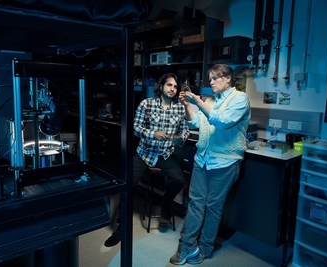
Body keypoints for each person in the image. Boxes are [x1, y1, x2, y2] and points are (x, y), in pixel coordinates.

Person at [169, 64, 250, 265]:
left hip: (225, 162)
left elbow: (221, 121)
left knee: (213, 207)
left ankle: (205, 248)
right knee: (195, 204)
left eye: (215, 78)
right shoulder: (211, 100)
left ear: (228, 78)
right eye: (210, 78)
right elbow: (195, 122)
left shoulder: (240, 99)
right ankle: (186, 247)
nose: (211, 82)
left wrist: (197, 100)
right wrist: (189, 105)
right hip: (203, 160)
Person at [104, 72, 190, 247]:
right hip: (145, 153)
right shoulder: (147, 104)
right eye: (169, 85)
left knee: (179, 180)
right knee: (126, 186)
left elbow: (185, 131)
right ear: (161, 86)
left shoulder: (180, 108)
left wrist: (179, 138)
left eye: (175, 86)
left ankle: (166, 205)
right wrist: (153, 133)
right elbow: (135, 127)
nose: (172, 89)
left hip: (165, 154)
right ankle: (121, 228)